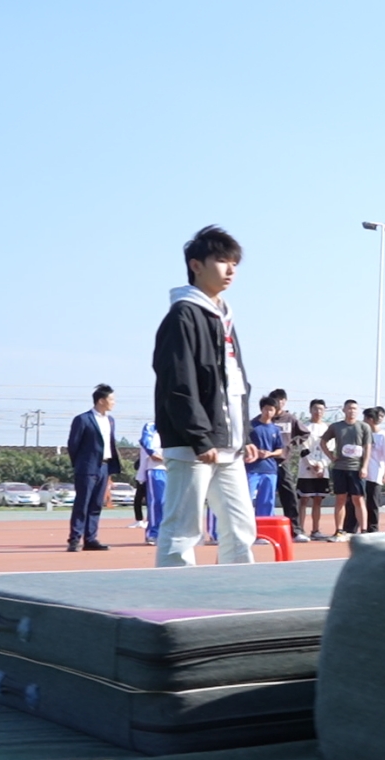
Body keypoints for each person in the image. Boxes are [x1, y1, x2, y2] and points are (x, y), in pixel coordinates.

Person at [151, 226, 261, 567]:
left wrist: (245, 434)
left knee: (241, 529)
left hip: (228, 445)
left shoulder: (223, 317)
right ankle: (172, 606)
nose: (230, 270)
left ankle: (236, 600)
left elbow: (235, 384)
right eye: (221, 261)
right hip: (192, 445)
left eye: (234, 263)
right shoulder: (183, 315)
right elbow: (178, 383)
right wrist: (200, 437)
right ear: (196, 265)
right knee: (183, 529)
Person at [65, 384, 123, 551]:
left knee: (97, 504)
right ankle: (74, 539)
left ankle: (91, 539)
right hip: (87, 467)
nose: (114, 402)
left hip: (104, 466)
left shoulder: (110, 421)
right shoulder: (83, 419)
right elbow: (73, 445)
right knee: (82, 504)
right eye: (111, 399)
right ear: (101, 400)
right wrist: (81, 464)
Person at [321, 400, 372, 541]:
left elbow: (368, 448)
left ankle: (364, 531)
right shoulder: (336, 426)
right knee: (340, 499)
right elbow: (322, 442)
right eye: (349, 408)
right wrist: (331, 457)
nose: (351, 411)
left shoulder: (364, 427)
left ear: (358, 410)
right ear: (344, 410)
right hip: (340, 468)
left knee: (358, 499)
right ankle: (339, 530)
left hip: (357, 469)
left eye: (354, 408)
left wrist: (365, 466)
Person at [267, 389, 306, 541]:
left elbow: (304, 433)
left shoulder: (290, 418)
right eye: (276, 400)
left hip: (284, 462)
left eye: (282, 400)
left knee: (289, 496)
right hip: (266, 463)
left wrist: (292, 443)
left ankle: (295, 531)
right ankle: (265, 531)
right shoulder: (265, 418)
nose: (279, 403)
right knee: (266, 498)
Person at [351, 407, 385, 533]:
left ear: (370, 420)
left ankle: (373, 529)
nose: (363, 421)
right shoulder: (361, 434)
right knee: (356, 501)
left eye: (365, 418)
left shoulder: (383, 436)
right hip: (359, 473)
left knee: (372, 503)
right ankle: (352, 528)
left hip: (375, 474)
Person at [246, 396, 288, 519]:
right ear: (261, 409)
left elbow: (279, 449)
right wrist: (255, 452)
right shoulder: (250, 426)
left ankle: (264, 530)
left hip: (270, 470)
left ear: (275, 411)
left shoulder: (275, 429)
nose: (268, 412)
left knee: (267, 502)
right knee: (246, 500)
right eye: (266, 409)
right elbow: (243, 445)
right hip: (251, 469)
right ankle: (246, 529)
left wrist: (269, 454)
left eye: (271, 410)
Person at [296, 399, 332, 540]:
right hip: (306, 471)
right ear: (310, 410)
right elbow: (302, 448)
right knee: (303, 500)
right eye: (315, 409)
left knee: (318, 500)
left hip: (322, 472)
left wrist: (322, 465)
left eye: (321, 409)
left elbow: (331, 450)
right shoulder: (304, 428)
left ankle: (315, 530)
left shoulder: (328, 429)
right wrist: (311, 465)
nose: (318, 412)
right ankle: (300, 530)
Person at [136, 419, 166, 546]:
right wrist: (155, 454)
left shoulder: (178, 424)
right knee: (157, 502)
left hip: (175, 469)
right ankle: (153, 533)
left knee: (171, 504)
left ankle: (168, 533)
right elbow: (146, 443)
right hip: (157, 469)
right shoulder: (151, 426)